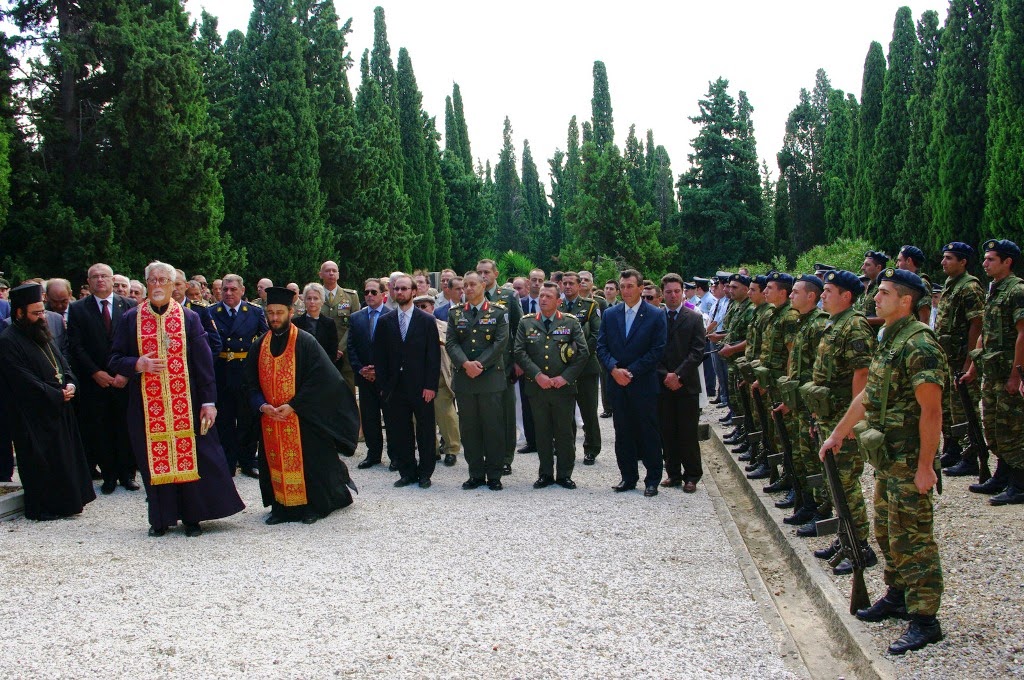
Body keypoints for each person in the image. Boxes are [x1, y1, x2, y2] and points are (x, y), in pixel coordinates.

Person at [820, 267, 944, 655]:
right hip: (889, 459)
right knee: (889, 532)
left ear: (906, 301)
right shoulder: (890, 339)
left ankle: (925, 619)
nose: (876, 297)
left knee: (914, 537)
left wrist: (926, 466)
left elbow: (932, 411)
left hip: (909, 461)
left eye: (885, 292)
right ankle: (898, 593)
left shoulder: (920, 344)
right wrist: (839, 432)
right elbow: (868, 395)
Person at [109, 262, 245, 537]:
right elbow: (114, 359)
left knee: (191, 459)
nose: (157, 285)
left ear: (173, 285)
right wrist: (138, 363)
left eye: (163, 281)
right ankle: (160, 519)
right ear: (147, 284)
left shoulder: (189, 318)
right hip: (147, 408)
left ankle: (192, 518)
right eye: (152, 280)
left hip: (188, 404)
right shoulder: (130, 318)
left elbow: (204, 363)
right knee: (153, 461)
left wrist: (209, 402)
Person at [247, 287, 358, 524]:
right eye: (270, 313)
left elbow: (323, 379)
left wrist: (294, 405)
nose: (274, 318)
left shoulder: (305, 342)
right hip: (271, 419)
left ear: (290, 311)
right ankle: (281, 507)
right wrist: (261, 406)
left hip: (303, 417)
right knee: (274, 463)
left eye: (279, 313)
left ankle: (313, 506)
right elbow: (249, 384)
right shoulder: (259, 346)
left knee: (311, 464)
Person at [0, 284, 95, 520]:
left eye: (42, 311)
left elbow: (62, 363)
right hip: (33, 415)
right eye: (36, 313)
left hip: (59, 407)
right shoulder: (8, 340)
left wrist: (71, 383)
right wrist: (55, 394)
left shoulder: (40, 333)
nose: (42, 317)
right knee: (41, 463)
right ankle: (44, 508)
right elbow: (21, 378)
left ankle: (69, 502)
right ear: (20, 313)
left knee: (64, 458)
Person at [806, 270, 876, 573]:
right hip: (829, 414)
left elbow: (862, 376)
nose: (823, 295)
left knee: (846, 483)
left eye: (828, 291)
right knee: (835, 482)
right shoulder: (836, 323)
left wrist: (850, 424)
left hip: (842, 418)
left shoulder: (855, 326)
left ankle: (860, 546)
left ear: (846, 296)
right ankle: (844, 537)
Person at [66, 262, 138, 492]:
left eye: (104, 276)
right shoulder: (78, 309)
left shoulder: (129, 305)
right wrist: (95, 372)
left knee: (125, 427)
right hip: (95, 381)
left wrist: (125, 372)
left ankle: (128, 475)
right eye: (94, 277)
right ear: (88, 282)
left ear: (112, 279)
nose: (100, 280)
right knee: (100, 428)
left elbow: (135, 343)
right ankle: (108, 476)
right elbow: (76, 346)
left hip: (123, 380)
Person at [597, 268, 667, 497]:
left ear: (640, 287)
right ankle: (628, 476)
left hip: (643, 383)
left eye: (630, 286)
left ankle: (652, 478)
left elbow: (657, 350)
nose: (626, 291)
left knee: (648, 432)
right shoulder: (610, 314)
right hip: (617, 383)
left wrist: (631, 372)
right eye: (622, 286)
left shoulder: (656, 315)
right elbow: (601, 347)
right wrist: (614, 369)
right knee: (623, 431)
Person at [963, 239, 1024, 503]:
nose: (985, 263)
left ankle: (1019, 484)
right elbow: (985, 332)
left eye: (991, 259)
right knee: (993, 427)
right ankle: (1002, 474)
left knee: (1012, 428)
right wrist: (974, 367)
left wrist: (1016, 375)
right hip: (992, 371)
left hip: (1008, 372)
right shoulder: (995, 290)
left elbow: (1023, 333)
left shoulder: (1016, 290)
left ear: (1007, 262)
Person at [515, 281, 588, 489]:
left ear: (558, 300)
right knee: (542, 431)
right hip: (537, 387)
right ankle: (545, 473)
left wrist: (565, 377)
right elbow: (519, 351)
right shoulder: (526, 322)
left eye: (549, 296)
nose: (544, 299)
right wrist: (537, 375)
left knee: (564, 431)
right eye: (542, 296)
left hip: (562, 388)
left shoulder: (571, 322)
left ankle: (564, 474)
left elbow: (583, 353)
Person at [373, 275, 441, 488]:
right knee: (400, 431)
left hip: (421, 386)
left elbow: (433, 356)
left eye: (404, 288)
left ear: (413, 291)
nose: (400, 292)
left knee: (425, 430)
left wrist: (431, 385)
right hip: (395, 387)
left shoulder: (426, 320)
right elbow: (380, 356)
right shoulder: (385, 322)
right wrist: (383, 387)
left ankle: (425, 473)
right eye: (396, 289)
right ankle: (407, 471)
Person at [447, 271, 509, 490]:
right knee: (469, 428)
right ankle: (475, 473)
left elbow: (500, 343)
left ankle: (494, 474)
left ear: (484, 285)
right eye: (466, 285)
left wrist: (479, 364)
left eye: (473, 284)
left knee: (492, 427)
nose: (469, 288)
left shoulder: (499, 312)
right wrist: (466, 365)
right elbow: (451, 343)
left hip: (490, 377)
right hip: (465, 379)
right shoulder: (455, 313)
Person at [934, 242, 985, 474]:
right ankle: (954, 449)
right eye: (944, 258)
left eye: (949, 258)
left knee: (964, 408)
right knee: (949, 408)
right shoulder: (951, 284)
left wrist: (969, 361)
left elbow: (977, 324)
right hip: (948, 358)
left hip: (961, 359)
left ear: (963, 262)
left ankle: (971, 456)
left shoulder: (969, 287)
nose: (944, 262)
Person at [210, 274, 268, 477]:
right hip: (222, 371)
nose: (228, 293)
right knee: (224, 419)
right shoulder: (211, 312)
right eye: (225, 289)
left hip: (246, 372)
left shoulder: (254, 312)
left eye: (233, 289)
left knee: (248, 419)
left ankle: (248, 460)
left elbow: (266, 341)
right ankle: (227, 461)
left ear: (242, 291)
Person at [656, 274, 705, 492]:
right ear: (662, 294)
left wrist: (678, 375)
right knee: (667, 431)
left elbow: (697, 351)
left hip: (687, 385)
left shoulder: (694, 318)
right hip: (663, 383)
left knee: (687, 432)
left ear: (683, 291)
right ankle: (673, 473)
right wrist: (665, 375)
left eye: (677, 291)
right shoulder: (656, 318)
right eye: (669, 292)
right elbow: (651, 351)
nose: (673, 295)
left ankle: (692, 475)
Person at [478, 258, 522, 475]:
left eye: (486, 272)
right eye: (479, 272)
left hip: (504, 363)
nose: (483, 276)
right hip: (479, 364)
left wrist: (517, 362)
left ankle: (505, 457)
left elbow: (519, 329)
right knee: (485, 412)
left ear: (496, 274)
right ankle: (488, 454)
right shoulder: (473, 297)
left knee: (505, 411)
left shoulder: (508, 296)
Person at [560, 272, 602, 465]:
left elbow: (596, 334)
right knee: (565, 412)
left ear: (579, 286)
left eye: (572, 284)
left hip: (585, 367)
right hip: (562, 369)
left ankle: (591, 448)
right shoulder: (556, 306)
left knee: (588, 411)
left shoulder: (590, 306)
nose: (568, 287)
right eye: (565, 283)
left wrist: (578, 356)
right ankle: (567, 447)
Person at [414, 295, 461, 467]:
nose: (420, 309)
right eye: (417, 306)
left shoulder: (445, 326)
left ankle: (451, 449)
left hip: (440, 375)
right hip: (417, 377)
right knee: (420, 418)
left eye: (424, 306)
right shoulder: (411, 326)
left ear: (432, 307)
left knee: (446, 414)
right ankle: (430, 450)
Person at [348, 278, 388, 470]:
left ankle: (396, 456)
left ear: (383, 294)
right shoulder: (356, 318)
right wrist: (361, 369)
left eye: (374, 292)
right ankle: (373, 455)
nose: (369, 295)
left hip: (387, 378)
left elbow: (395, 349)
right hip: (364, 377)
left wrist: (379, 370)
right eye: (367, 292)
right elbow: (351, 347)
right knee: (370, 417)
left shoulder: (392, 315)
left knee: (391, 417)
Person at [319, 260, 361, 392]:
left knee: (348, 390)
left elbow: (354, 325)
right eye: (327, 271)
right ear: (320, 274)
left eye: (334, 271)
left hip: (345, 353)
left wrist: (340, 348)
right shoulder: (314, 296)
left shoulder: (351, 296)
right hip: (321, 351)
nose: (331, 273)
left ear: (338, 274)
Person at [292, 283, 338, 364]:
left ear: (322, 301)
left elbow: (332, 352)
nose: (312, 302)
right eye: (309, 298)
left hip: (323, 368)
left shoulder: (329, 323)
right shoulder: (295, 323)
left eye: (316, 298)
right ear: (304, 300)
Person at [855, 250, 888, 327]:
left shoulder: (884, 287)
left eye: (867, 265)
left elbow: (887, 317)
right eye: (863, 264)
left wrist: (860, 320)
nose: (862, 268)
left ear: (878, 267)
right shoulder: (868, 285)